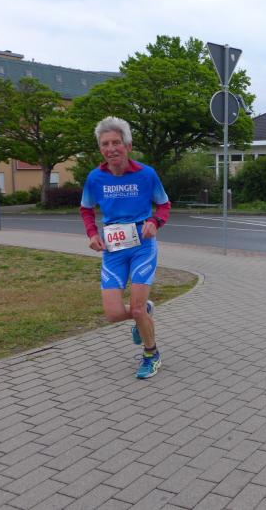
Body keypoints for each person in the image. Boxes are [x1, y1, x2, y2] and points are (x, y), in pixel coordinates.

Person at [80, 116, 171, 379]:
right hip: (113, 250)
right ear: (100, 149)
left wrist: (155, 222)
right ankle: (144, 315)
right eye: (105, 144)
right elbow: (86, 209)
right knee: (113, 313)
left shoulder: (146, 174)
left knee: (136, 308)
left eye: (116, 142)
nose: (111, 149)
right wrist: (92, 234)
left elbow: (164, 204)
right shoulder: (95, 178)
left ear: (128, 146)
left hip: (142, 246)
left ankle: (151, 354)